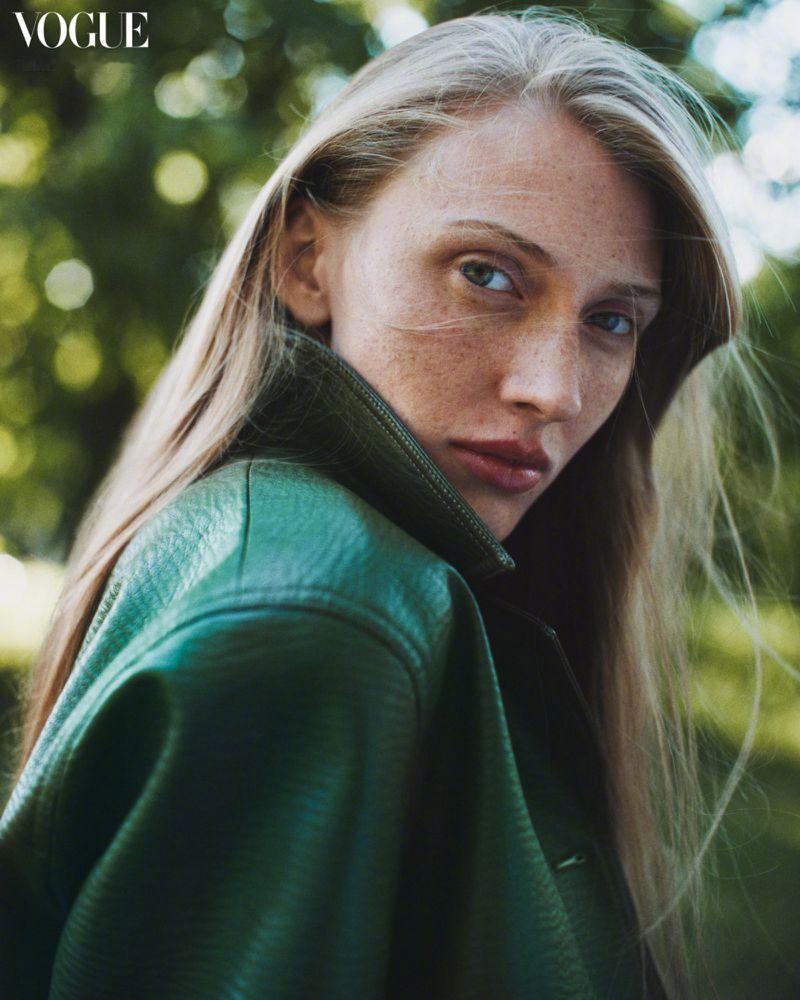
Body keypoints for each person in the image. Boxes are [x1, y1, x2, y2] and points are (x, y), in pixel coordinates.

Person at [0, 9, 771, 999]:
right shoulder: (319, 615)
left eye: (611, 320)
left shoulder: (298, 558)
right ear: (305, 261)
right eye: (486, 274)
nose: (553, 390)